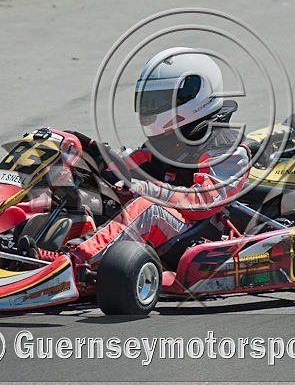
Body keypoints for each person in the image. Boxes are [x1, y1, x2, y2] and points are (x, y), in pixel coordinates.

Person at [69, 47, 250, 266]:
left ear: (196, 95)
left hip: (196, 235)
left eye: (160, 101)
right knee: (79, 190)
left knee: (147, 208)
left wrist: (145, 188)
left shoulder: (227, 148)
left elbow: (202, 204)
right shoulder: (165, 142)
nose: (151, 109)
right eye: (148, 101)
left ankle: (74, 261)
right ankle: (30, 247)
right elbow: (119, 169)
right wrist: (87, 155)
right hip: (164, 229)